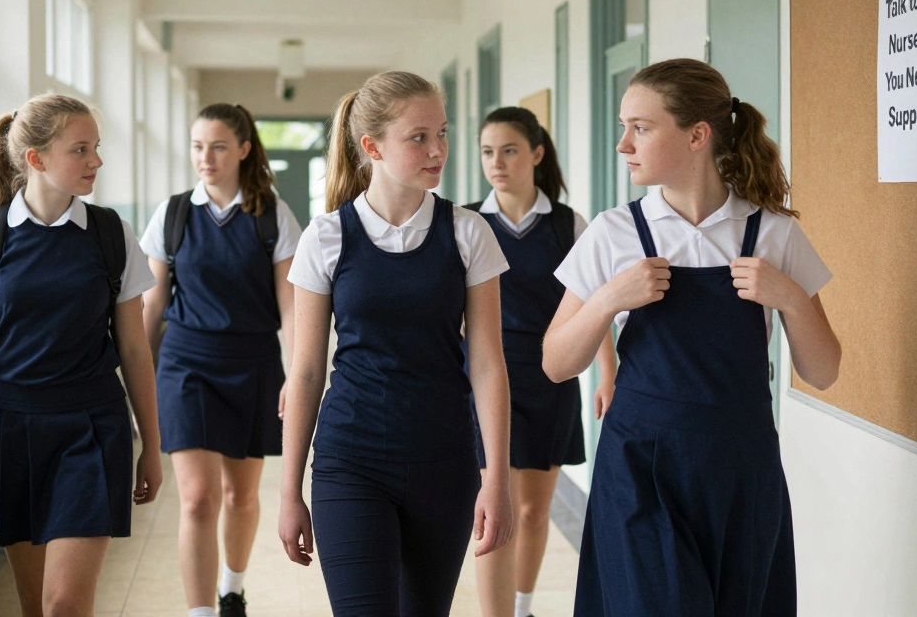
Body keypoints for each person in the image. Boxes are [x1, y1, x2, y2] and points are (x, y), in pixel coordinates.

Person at [544, 58, 842, 616]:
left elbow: (823, 372)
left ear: (697, 135)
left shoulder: (772, 233)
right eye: (622, 127)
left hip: (741, 471)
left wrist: (791, 300)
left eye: (641, 127)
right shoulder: (613, 233)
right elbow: (556, 363)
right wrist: (608, 300)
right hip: (640, 468)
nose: (623, 144)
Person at [277, 71, 514, 616]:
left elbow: (487, 365)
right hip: (349, 462)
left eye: (443, 133)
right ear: (371, 146)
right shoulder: (326, 237)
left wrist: (496, 479)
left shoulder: (468, 232)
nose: (439, 150)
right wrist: (290, 492)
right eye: (419, 137)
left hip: (444, 463)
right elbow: (308, 371)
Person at [0, 95, 162, 617]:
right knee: (34, 604)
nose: (96, 162)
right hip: (9, 428)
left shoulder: (111, 234)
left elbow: (133, 348)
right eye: (80, 150)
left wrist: (152, 443)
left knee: (65, 604)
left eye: (96, 148)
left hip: (92, 427)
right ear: (35, 159)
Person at [138, 103, 302, 617]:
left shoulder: (273, 216)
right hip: (186, 363)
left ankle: (232, 589)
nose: (205, 158)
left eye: (218, 146)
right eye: (197, 146)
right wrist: (135, 372)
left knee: (241, 496)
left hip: (253, 362)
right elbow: (152, 303)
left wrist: (296, 375)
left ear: (244, 150)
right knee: (198, 499)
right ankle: (200, 612)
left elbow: (292, 306)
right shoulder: (172, 215)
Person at [466, 106, 617, 617]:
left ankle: (523, 607)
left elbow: (590, 300)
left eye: (509, 150)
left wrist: (608, 370)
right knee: (492, 511)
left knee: (532, 512)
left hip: (550, 375)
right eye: (488, 152)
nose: (497, 162)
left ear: (535, 153)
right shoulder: (466, 222)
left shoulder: (565, 224)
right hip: (483, 379)